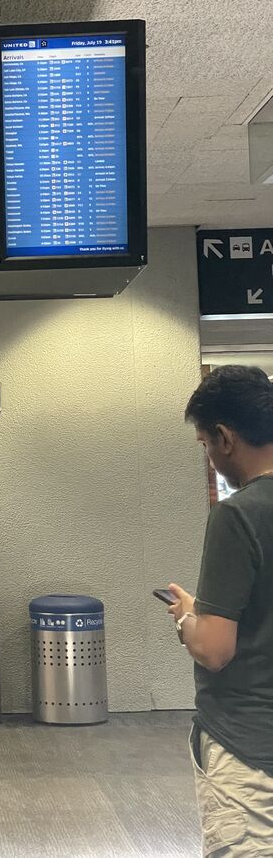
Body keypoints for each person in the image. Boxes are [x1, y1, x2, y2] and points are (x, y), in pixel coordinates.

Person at [169, 366, 273, 857]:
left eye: (205, 444)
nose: (209, 456)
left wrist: (189, 617)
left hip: (250, 749)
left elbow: (215, 650)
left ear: (225, 438)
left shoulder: (239, 514)